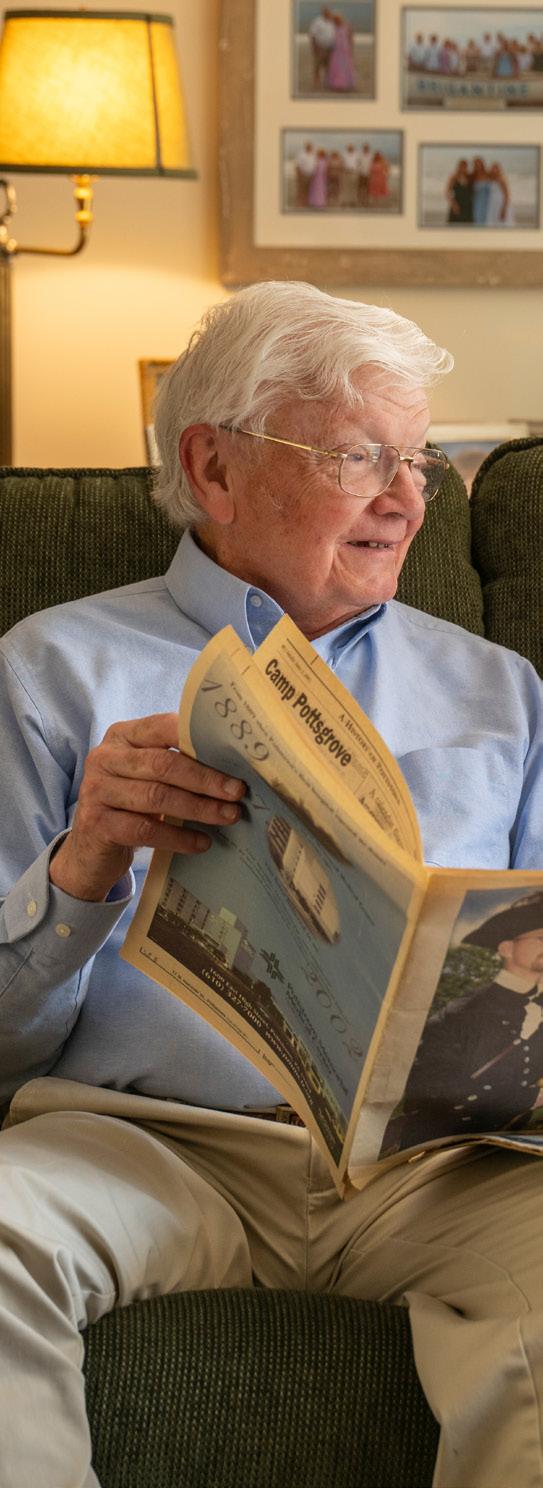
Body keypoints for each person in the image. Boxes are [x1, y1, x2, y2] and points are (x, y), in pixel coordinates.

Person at [0, 279, 542, 1488]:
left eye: (419, 460)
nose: (408, 499)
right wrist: (83, 868)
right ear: (214, 467)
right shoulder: (53, 670)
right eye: (359, 456)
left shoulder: (501, 693)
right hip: (149, 1144)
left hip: (431, 1170)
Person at [383, 892, 543, 1150]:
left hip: (510, 1151)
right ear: (506, 948)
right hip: (445, 1151)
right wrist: (529, 1097)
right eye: (541, 938)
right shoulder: (459, 1015)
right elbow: (429, 1092)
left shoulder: (539, 1008)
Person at [326, 11, 357, 91]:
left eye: (338, 19)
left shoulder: (347, 26)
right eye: (336, 19)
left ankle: (346, 84)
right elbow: (330, 38)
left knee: (346, 65)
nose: (337, 20)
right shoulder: (333, 27)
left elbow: (351, 38)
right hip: (336, 49)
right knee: (336, 66)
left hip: (345, 49)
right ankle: (336, 84)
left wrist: (351, 48)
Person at [308, 6, 336, 90]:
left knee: (329, 66)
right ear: (323, 12)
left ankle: (327, 82)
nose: (328, 13)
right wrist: (314, 47)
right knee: (317, 65)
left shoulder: (332, 21)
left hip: (331, 47)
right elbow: (312, 35)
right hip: (320, 47)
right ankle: (316, 82)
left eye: (329, 12)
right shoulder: (317, 21)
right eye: (326, 12)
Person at [446, 158, 473, 223]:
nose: (463, 168)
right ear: (459, 166)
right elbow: (447, 192)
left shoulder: (469, 177)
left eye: (465, 166)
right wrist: (453, 204)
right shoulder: (454, 177)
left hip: (468, 206)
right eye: (461, 166)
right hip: (457, 204)